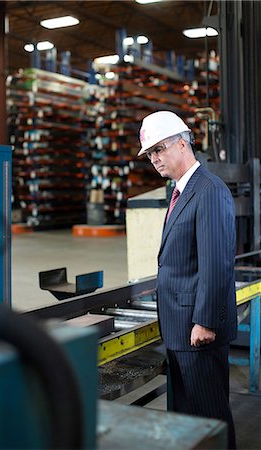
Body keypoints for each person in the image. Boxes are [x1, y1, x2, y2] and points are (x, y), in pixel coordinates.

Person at [138, 110, 237, 449]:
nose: (154, 159)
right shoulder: (180, 191)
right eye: (150, 153)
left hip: (198, 331)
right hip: (179, 327)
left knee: (210, 417)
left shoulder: (208, 190)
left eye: (159, 149)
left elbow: (216, 262)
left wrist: (205, 322)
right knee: (188, 418)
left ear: (182, 144)